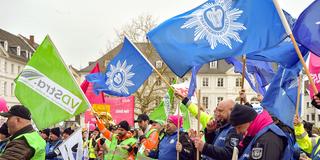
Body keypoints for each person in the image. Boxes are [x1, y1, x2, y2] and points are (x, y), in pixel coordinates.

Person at [178, 91, 241, 160]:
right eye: (216, 110)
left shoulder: (235, 129)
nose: (217, 113)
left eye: (220, 111)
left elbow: (229, 154)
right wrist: (210, 132)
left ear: (231, 111)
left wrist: (204, 147)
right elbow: (212, 145)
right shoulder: (221, 125)